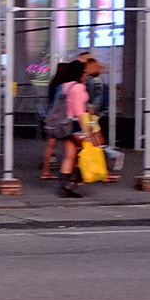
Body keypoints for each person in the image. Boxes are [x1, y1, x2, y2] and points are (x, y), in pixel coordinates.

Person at [54, 59, 89, 198]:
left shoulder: (64, 86)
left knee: (69, 156)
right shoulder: (79, 87)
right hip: (75, 125)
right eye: (84, 72)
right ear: (79, 73)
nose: (86, 74)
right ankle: (74, 183)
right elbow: (79, 111)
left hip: (63, 124)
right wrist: (86, 130)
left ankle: (65, 186)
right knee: (83, 154)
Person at [40, 62, 72, 181]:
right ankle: (67, 173)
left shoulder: (54, 84)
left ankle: (45, 170)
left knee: (50, 146)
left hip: (51, 118)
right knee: (68, 147)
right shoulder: (63, 86)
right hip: (60, 120)